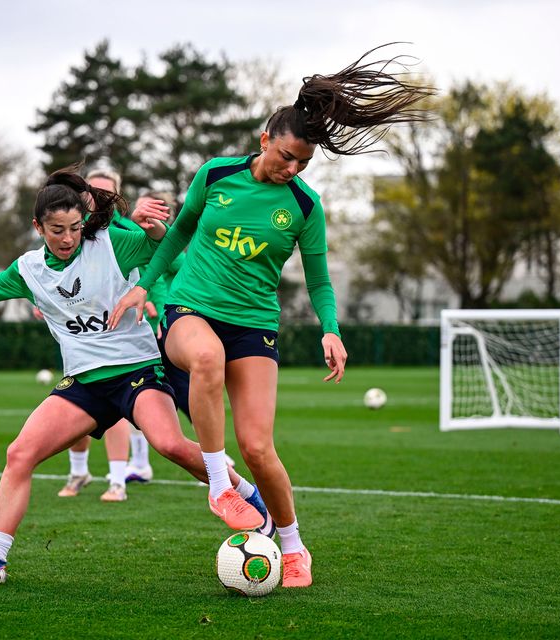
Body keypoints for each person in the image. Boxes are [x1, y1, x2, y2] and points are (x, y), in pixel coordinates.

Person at [110, 47, 434, 587]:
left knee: (259, 449)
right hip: (190, 308)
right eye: (285, 156)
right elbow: (181, 233)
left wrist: (331, 329)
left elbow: (321, 280)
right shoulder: (216, 175)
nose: (292, 169)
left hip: (255, 325)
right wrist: (144, 286)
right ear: (265, 140)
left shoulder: (305, 207)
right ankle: (219, 485)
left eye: (303, 163)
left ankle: (294, 546)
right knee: (206, 357)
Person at [0, 166, 270, 585]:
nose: (68, 237)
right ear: (37, 226)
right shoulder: (29, 270)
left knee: (169, 444)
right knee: (19, 454)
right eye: (57, 229)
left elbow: (178, 262)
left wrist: (157, 233)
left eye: (75, 227)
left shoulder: (112, 243)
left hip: (137, 371)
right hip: (85, 381)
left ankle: (248, 496)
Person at [56, 168, 172, 501]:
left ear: (116, 198)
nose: (98, 199)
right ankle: (79, 471)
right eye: (93, 192)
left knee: (124, 405)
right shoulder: (68, 233)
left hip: (124, 335)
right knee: (73, 402)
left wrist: (156, 304)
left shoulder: (125, 231)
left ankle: (120, 478)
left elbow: (161, 264)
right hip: (78, 334)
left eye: (107, 193)